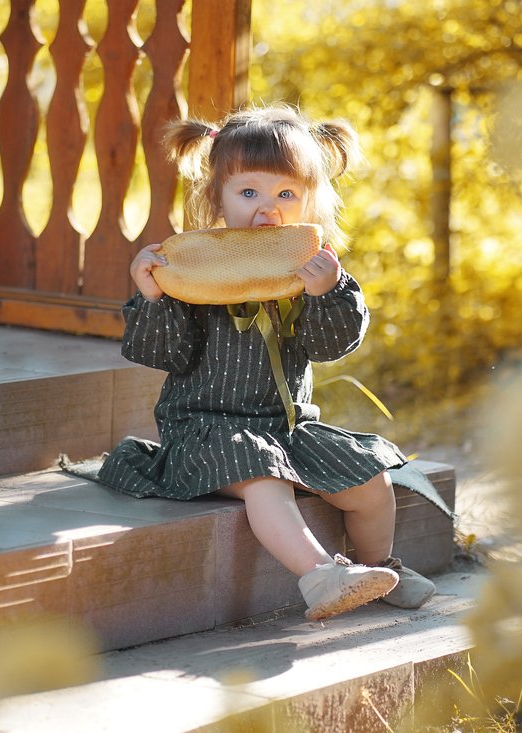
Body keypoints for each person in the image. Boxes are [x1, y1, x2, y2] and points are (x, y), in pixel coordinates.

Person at [97, 103, 436, 620]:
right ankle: (321, 577)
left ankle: (379, 568)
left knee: (372, 479)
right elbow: (162, 354)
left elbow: (330, 347)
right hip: (206, 432)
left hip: (288, 429)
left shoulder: (311, 272)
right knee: (262, 475)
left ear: (309, 201)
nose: (267, 208)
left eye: (286, 194)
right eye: (248, 192)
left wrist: (327, 293)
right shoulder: (193, 271)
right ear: (217, 196)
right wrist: (153, 298)